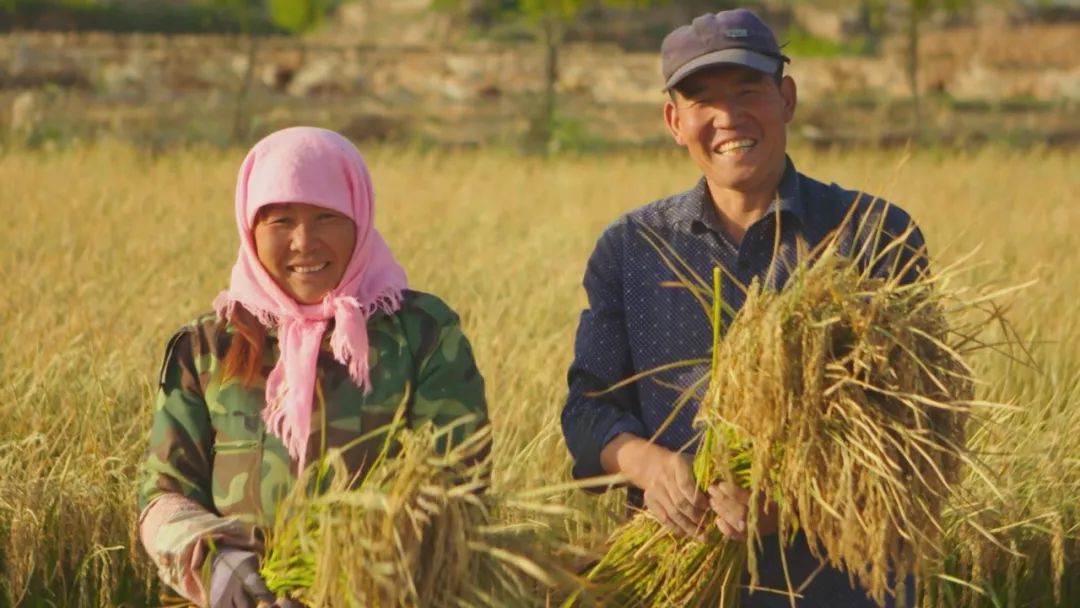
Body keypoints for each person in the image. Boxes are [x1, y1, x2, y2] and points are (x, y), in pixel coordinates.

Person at [561, 8, 926, 608]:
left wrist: (792, 497)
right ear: (674, 122)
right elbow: (588, 408)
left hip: (841, 583)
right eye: (702, 100)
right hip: (678, 579)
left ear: (786, 97)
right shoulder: (632, 248)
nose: (728, 117)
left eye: (748, 90)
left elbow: (911, 435)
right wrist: (648, 466)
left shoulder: (872, 235)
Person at [137, 127, 488, 608]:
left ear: (360, 221)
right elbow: (163, 494)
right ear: (250, 228)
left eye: (327, 217)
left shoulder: (420, 334)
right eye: (281, 221)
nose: (305, 242)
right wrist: (218, 569)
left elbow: (457, 485)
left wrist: (345, 580)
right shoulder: (208, 345)